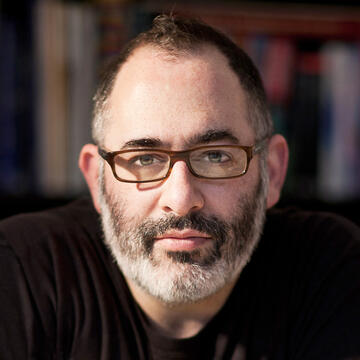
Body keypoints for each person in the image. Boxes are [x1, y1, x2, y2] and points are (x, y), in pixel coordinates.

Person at [1, 14, 360, 360]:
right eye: (143, 158)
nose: (181, 199)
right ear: (97, 178)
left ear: (273, 172)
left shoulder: (331, 269)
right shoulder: (20, 271)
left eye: (216, 156)